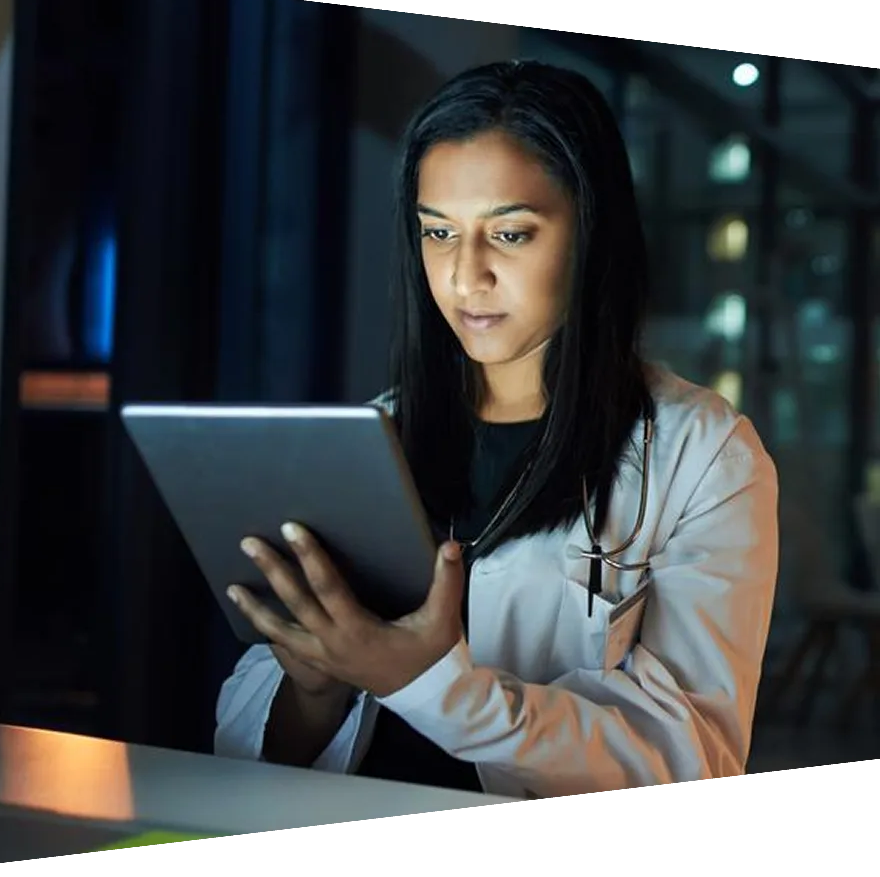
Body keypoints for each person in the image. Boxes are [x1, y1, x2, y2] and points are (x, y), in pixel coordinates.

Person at [212, 60, 779, 800]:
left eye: (510, 234)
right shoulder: (375, 434)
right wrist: (314, 689)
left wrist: (430, 685)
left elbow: (692, 756)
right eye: (438, 232)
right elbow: (244, 738)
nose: (464, 276)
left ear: (592, 233)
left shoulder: (702, 457)